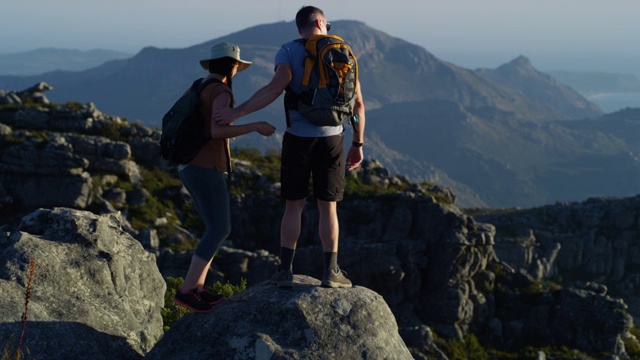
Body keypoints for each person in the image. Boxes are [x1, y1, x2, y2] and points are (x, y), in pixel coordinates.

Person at [214, 6, 366, 289]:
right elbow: (357, 104)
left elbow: (274, 88)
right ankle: (331, 272)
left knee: (293, 206)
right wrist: (358, 143)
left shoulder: (288, 51)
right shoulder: (344, 50)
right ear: (321, 23)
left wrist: (237, 113)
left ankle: (285, 270)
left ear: (301, 27)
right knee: (328, 208)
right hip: (333, 138)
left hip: (298, 137)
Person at [173, 43, 276, 312]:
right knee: (219, 229)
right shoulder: (221, 91)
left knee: (214, 228)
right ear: (232, 67)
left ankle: (197, 287)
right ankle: (187, 290)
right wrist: (256, 126)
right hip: (205, 166)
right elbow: (217, 131)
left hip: (188, 165)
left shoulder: (199, 86)